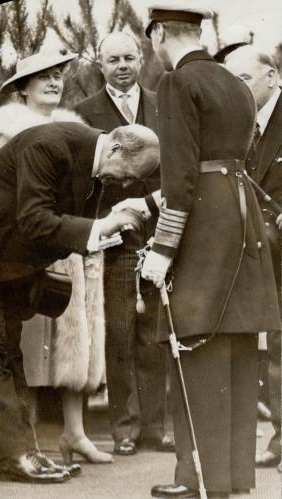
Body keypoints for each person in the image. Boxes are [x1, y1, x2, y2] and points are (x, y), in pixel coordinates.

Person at [114, 2, 280, 498]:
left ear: (159, 32)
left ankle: (198, 481)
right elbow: (244, 158)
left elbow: (180, 175)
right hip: (240, 218)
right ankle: (228, 478)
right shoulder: (233, 80)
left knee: (196, 347)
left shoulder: (175, 84)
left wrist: (163, 247)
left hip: (202, 227)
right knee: (235, 351)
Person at [0, 120, 159, 483]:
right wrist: (101, 227)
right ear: (114, 149)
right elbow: (34, 219)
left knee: (6, 351)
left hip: (1, 261)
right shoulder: (51, 145)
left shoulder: (92, 165)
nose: (125, 185)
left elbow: (60, 225)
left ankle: (22, 453)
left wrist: (98, 231)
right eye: (128, 175)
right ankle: (17, 455)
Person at [0, 50, 113, 467]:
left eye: (59, 76)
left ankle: (75, 433)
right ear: (21, 87)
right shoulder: (8, 130)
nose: (54, 82)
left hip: (70, 242)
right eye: (43, 77)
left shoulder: (72, 129)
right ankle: (29, 440)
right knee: (33, 345)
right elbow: (11, 201)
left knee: (76, 340)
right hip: (28, 247)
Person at [75, 31, 173, 456]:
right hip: (114, 238)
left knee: (155, 336)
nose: (122, 66)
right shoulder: (84, 112)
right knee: (118, 333)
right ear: (100, 64)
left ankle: (156, 427)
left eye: (129, 58)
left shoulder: (163, 105)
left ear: (140, 59)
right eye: (112, 59)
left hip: (159, 236)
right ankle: (125, 428)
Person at [225, 45, 282, 471]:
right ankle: (281, 440)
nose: (235, 89)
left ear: (273, 76)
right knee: (275, 348)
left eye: (243, 79)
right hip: (258, 248)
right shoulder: (235, 124)